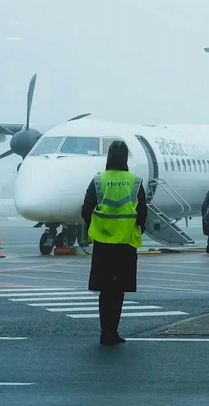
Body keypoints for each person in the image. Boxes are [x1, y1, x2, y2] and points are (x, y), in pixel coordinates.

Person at [80, 140, 147, 345]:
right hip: (126, 244)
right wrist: (135, 229)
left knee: (105, 290)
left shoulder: (98, 180)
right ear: (126, 157)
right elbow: (142, 212)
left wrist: (97, 226)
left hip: (103, 243)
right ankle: (113, 331)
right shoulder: (135, 181)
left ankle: (104, 331)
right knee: (118, 291)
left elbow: (86, 209)